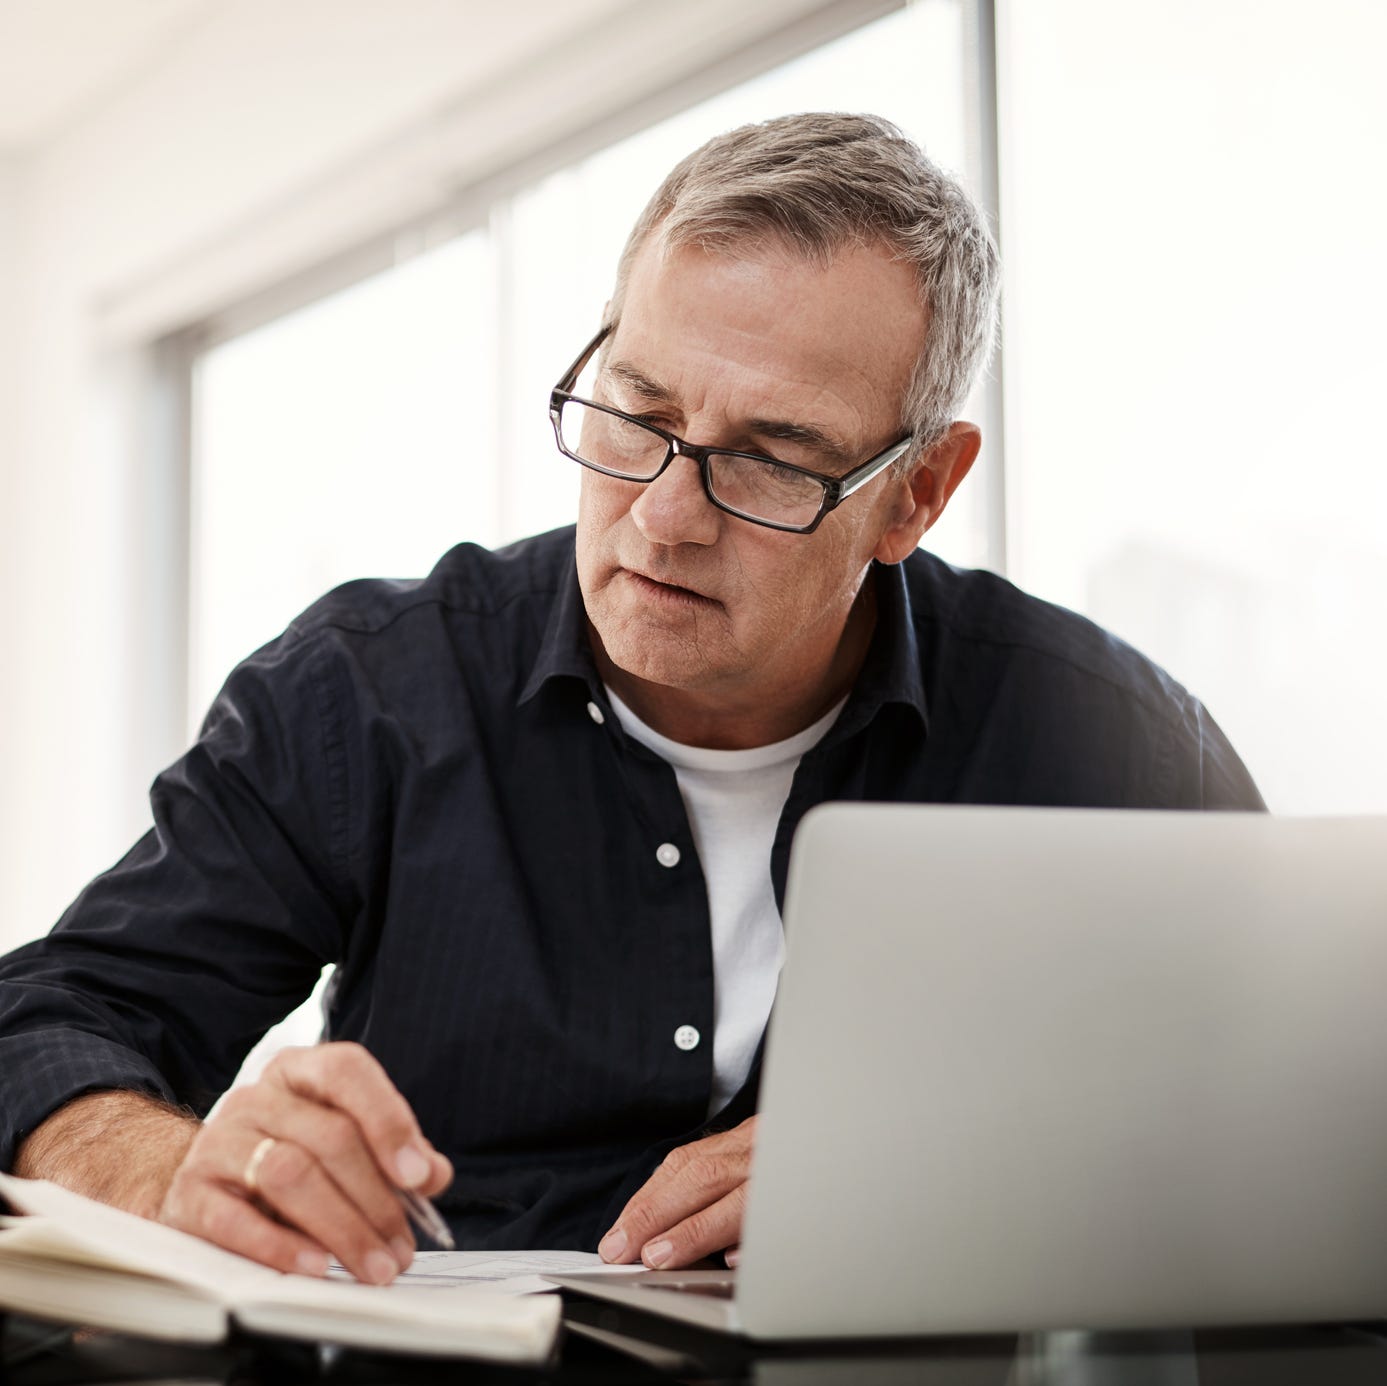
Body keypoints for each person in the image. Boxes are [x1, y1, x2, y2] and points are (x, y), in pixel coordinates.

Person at [0, 113, 1262, 1288]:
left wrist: (964, 1170)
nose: (661, 520)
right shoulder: (369, 689)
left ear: (917, 493)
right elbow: (49, 1020)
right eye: (636, 411)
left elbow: (1305, 1101)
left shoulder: (1112, 742)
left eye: (769, 458)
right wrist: (166, 1175)